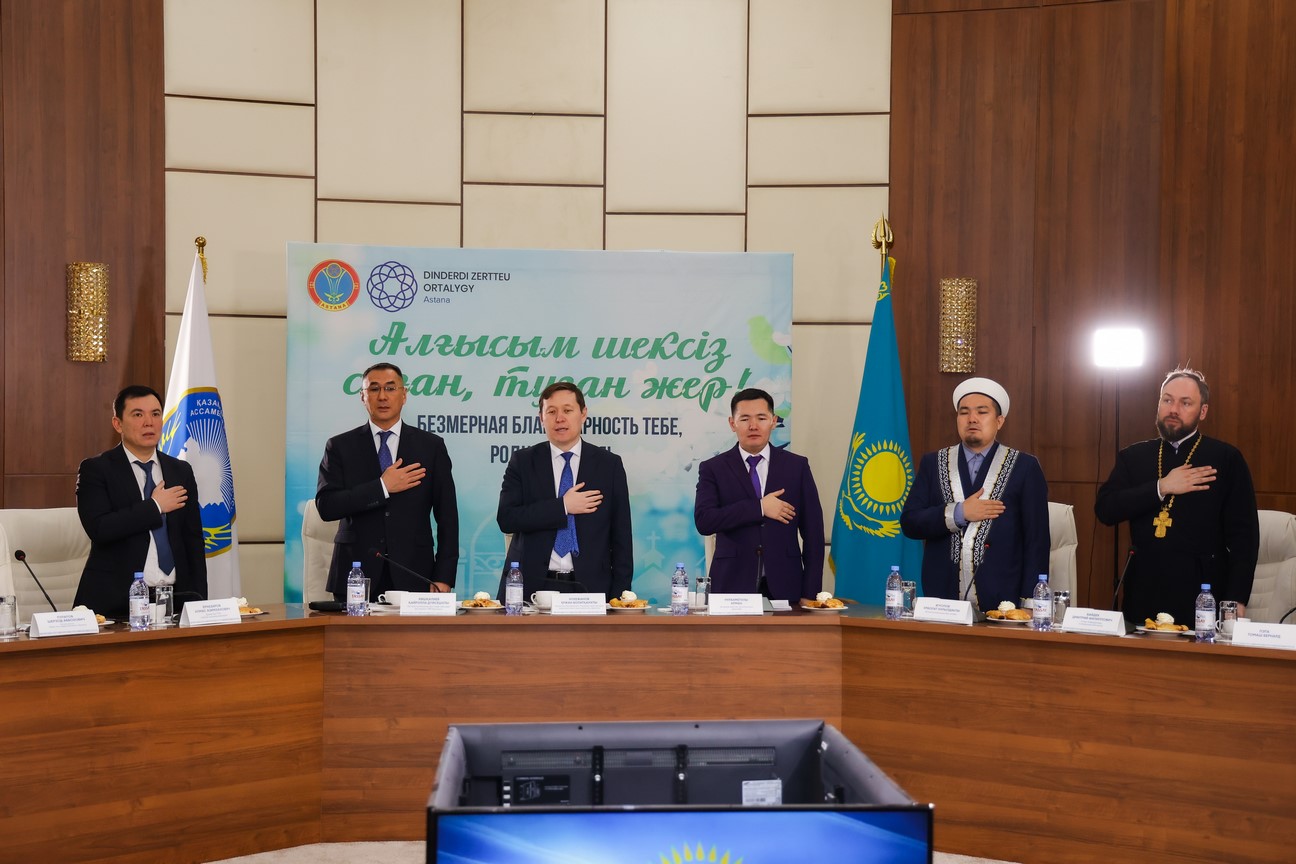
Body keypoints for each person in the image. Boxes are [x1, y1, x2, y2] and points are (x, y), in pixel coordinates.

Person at [1095, 367, 1258, 624]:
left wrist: (1236, 599)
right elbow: (1106, 509)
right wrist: (1161, 487)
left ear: (1203, 411)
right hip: (1143, 591)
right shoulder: (1133, 456)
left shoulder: (1226, 459)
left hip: (1202, 595)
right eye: (1167, 400)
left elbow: (1244, 537)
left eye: (1185, 403)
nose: (1173, 409)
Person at [901, 377, 1049, 612]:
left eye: (982, 412)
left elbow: (1036, 540)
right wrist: (959, 513)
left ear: (999, 421)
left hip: (1003, 603)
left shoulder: (1025, 467)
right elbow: (910, 522)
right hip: (942, 601)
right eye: (964, 412)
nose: (972, 419)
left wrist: (1031, 603)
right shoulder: (933, 463)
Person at [316, 362, 459, 599]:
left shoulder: (430, 446)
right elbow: (327, 506)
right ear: (363, 397)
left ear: (404, 395)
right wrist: (382, 487)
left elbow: (448, 516)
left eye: (390, 388)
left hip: (416, 572)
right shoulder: (340, 446)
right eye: (374, 389)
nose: (382, 396)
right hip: (355, 574)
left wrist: (444, 576)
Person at [74, 385, 207, 617]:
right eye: (138, 414)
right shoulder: (97, 469)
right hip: (116, 605)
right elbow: (100, 528)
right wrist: (155, 507)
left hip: (176, 600)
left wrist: (199, 601)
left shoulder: (180, 471)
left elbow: (193, 540)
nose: (149, 422)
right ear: (118, 424)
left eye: (155, 414)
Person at [496, 381, 633, 599]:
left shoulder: (609, 465)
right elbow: (507, 518)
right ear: (541, 418)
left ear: (583, 414)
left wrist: (619, 595)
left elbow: (621, 537)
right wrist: (563, 506)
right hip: (530, 587)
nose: (559, 418)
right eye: (551, 412)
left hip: (590, 588)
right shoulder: (523, 462)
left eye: (567, 410)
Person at [694, 388, 824, 603]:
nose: (753, 426)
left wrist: (810, 593)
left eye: (761, 418)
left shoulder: (796, 466)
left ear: (773, 421)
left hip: (787, 585)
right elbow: (705, 521)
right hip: (731, 586)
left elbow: (814, 534)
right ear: (732, 423)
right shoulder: (713, 468)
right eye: (745, 419)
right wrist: (760, 507)